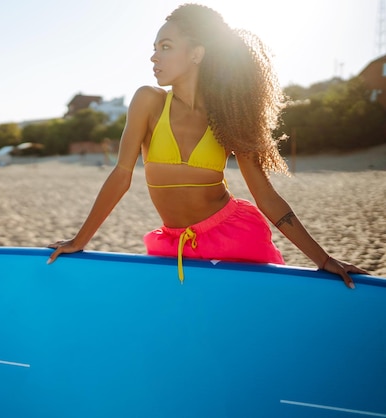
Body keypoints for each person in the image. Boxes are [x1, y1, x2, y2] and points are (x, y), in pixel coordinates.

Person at [47, 3, 367, 288]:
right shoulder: (148, 101)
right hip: (175, 244)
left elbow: (265, 195)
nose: (153, 55)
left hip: (234, 238)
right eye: (155, 46)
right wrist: (80, 240)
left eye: (166, 46)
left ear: (197, 54)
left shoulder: (229, 114)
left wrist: (322, 259)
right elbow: (121, 175)